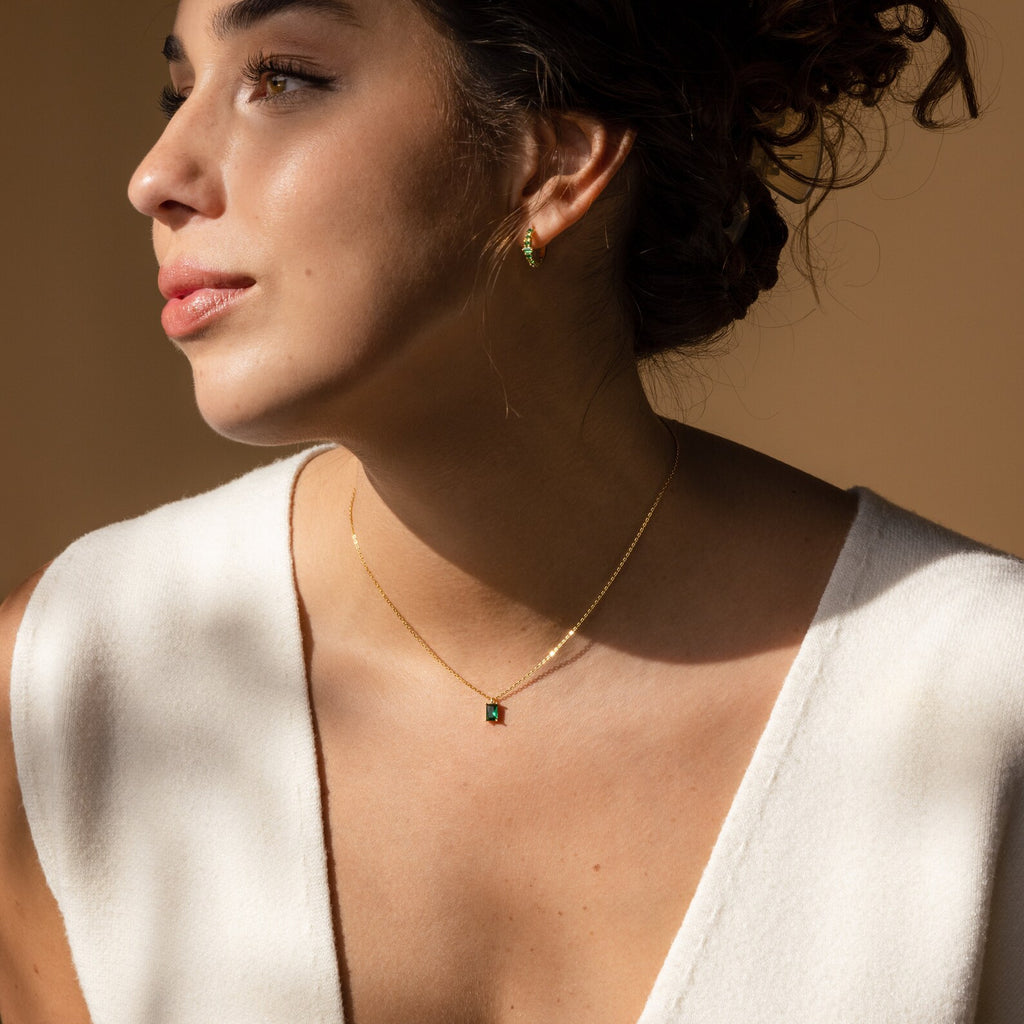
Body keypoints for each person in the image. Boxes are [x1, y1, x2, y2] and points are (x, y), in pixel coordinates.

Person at [1, 0, 1020, 1022]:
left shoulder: (981, 700)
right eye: (180, 92)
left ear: (552, 165)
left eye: (281, 78)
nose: (154, 177)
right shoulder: (70, 686)